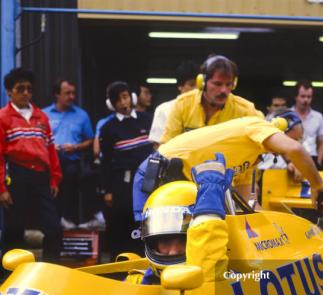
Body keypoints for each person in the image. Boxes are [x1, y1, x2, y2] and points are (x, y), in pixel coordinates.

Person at [133, 110, 323, 220]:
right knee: (155, 245)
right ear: (278, 129)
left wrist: (286, 224)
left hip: (180, 186)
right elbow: (295, 150)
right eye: (290, 138)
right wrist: (317, 185)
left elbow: (249, 206)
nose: (282, 151)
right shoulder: (255, 125)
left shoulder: (251, 157)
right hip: (158, 175)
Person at [129, 153, 233, 284]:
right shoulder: (134, 282)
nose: (173, 252)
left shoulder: (234, 282)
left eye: (185, 242)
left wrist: (208, 211)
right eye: (165, 242)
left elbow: (207, 274)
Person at [0, 68, 62, 262]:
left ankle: (50, 271)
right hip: (17, 176)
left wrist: (54, 179)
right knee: (14, 230)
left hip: (41, 178)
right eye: (20, 89)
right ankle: (9, 276)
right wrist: (2, 188)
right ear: (10, 91)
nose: (26, 93)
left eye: (29, 89)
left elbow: (51, 150)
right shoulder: (3, 117)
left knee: (53, 227)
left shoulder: (41, 117)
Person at [100, 81, 154, 259]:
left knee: (146, 220)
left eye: (124, 97)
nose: (123, 103)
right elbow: (105, 161)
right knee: (123, 222)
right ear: (111, 104)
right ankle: (121, 261)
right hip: (122, 184)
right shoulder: (108, 128)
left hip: (148, 181)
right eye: (117, 100)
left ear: (131, 97)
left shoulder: (147, 119)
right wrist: (108, 190)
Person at [160, 54, 262, 144]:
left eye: (228, 84)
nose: (224, 90)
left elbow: (265, 135)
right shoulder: (182, 104)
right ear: (202, 82)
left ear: (234, 84)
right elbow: (167, 145)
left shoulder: (246, 110)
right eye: (217, 84)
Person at [43, 79, 94, 229]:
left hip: (71, 161)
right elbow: (38, 139)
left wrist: (76, 147)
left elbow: (91, 140)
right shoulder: (44, 114)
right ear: (57, 94)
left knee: (72, 179)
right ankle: (51, 221)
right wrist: (51, 147)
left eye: (73, 93)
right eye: (67, 93)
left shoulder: (82, 115)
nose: (71, 96)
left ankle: (66, 218)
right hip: (49, 162)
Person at [149, 60, 199, 146]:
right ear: (180, 86)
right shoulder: (164, 109)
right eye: (191, 85)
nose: (196, 89)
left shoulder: (208, 109)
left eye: (199, 85)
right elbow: (158, 144)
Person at [293, 79, 323, 169]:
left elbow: (321, 144)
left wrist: (318, 163)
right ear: (295, 97)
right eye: (302, 96)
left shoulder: (318, 117)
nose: (306, 100)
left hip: (312, 159)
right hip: (291, 160)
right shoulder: (287, 115)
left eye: (309, 97)